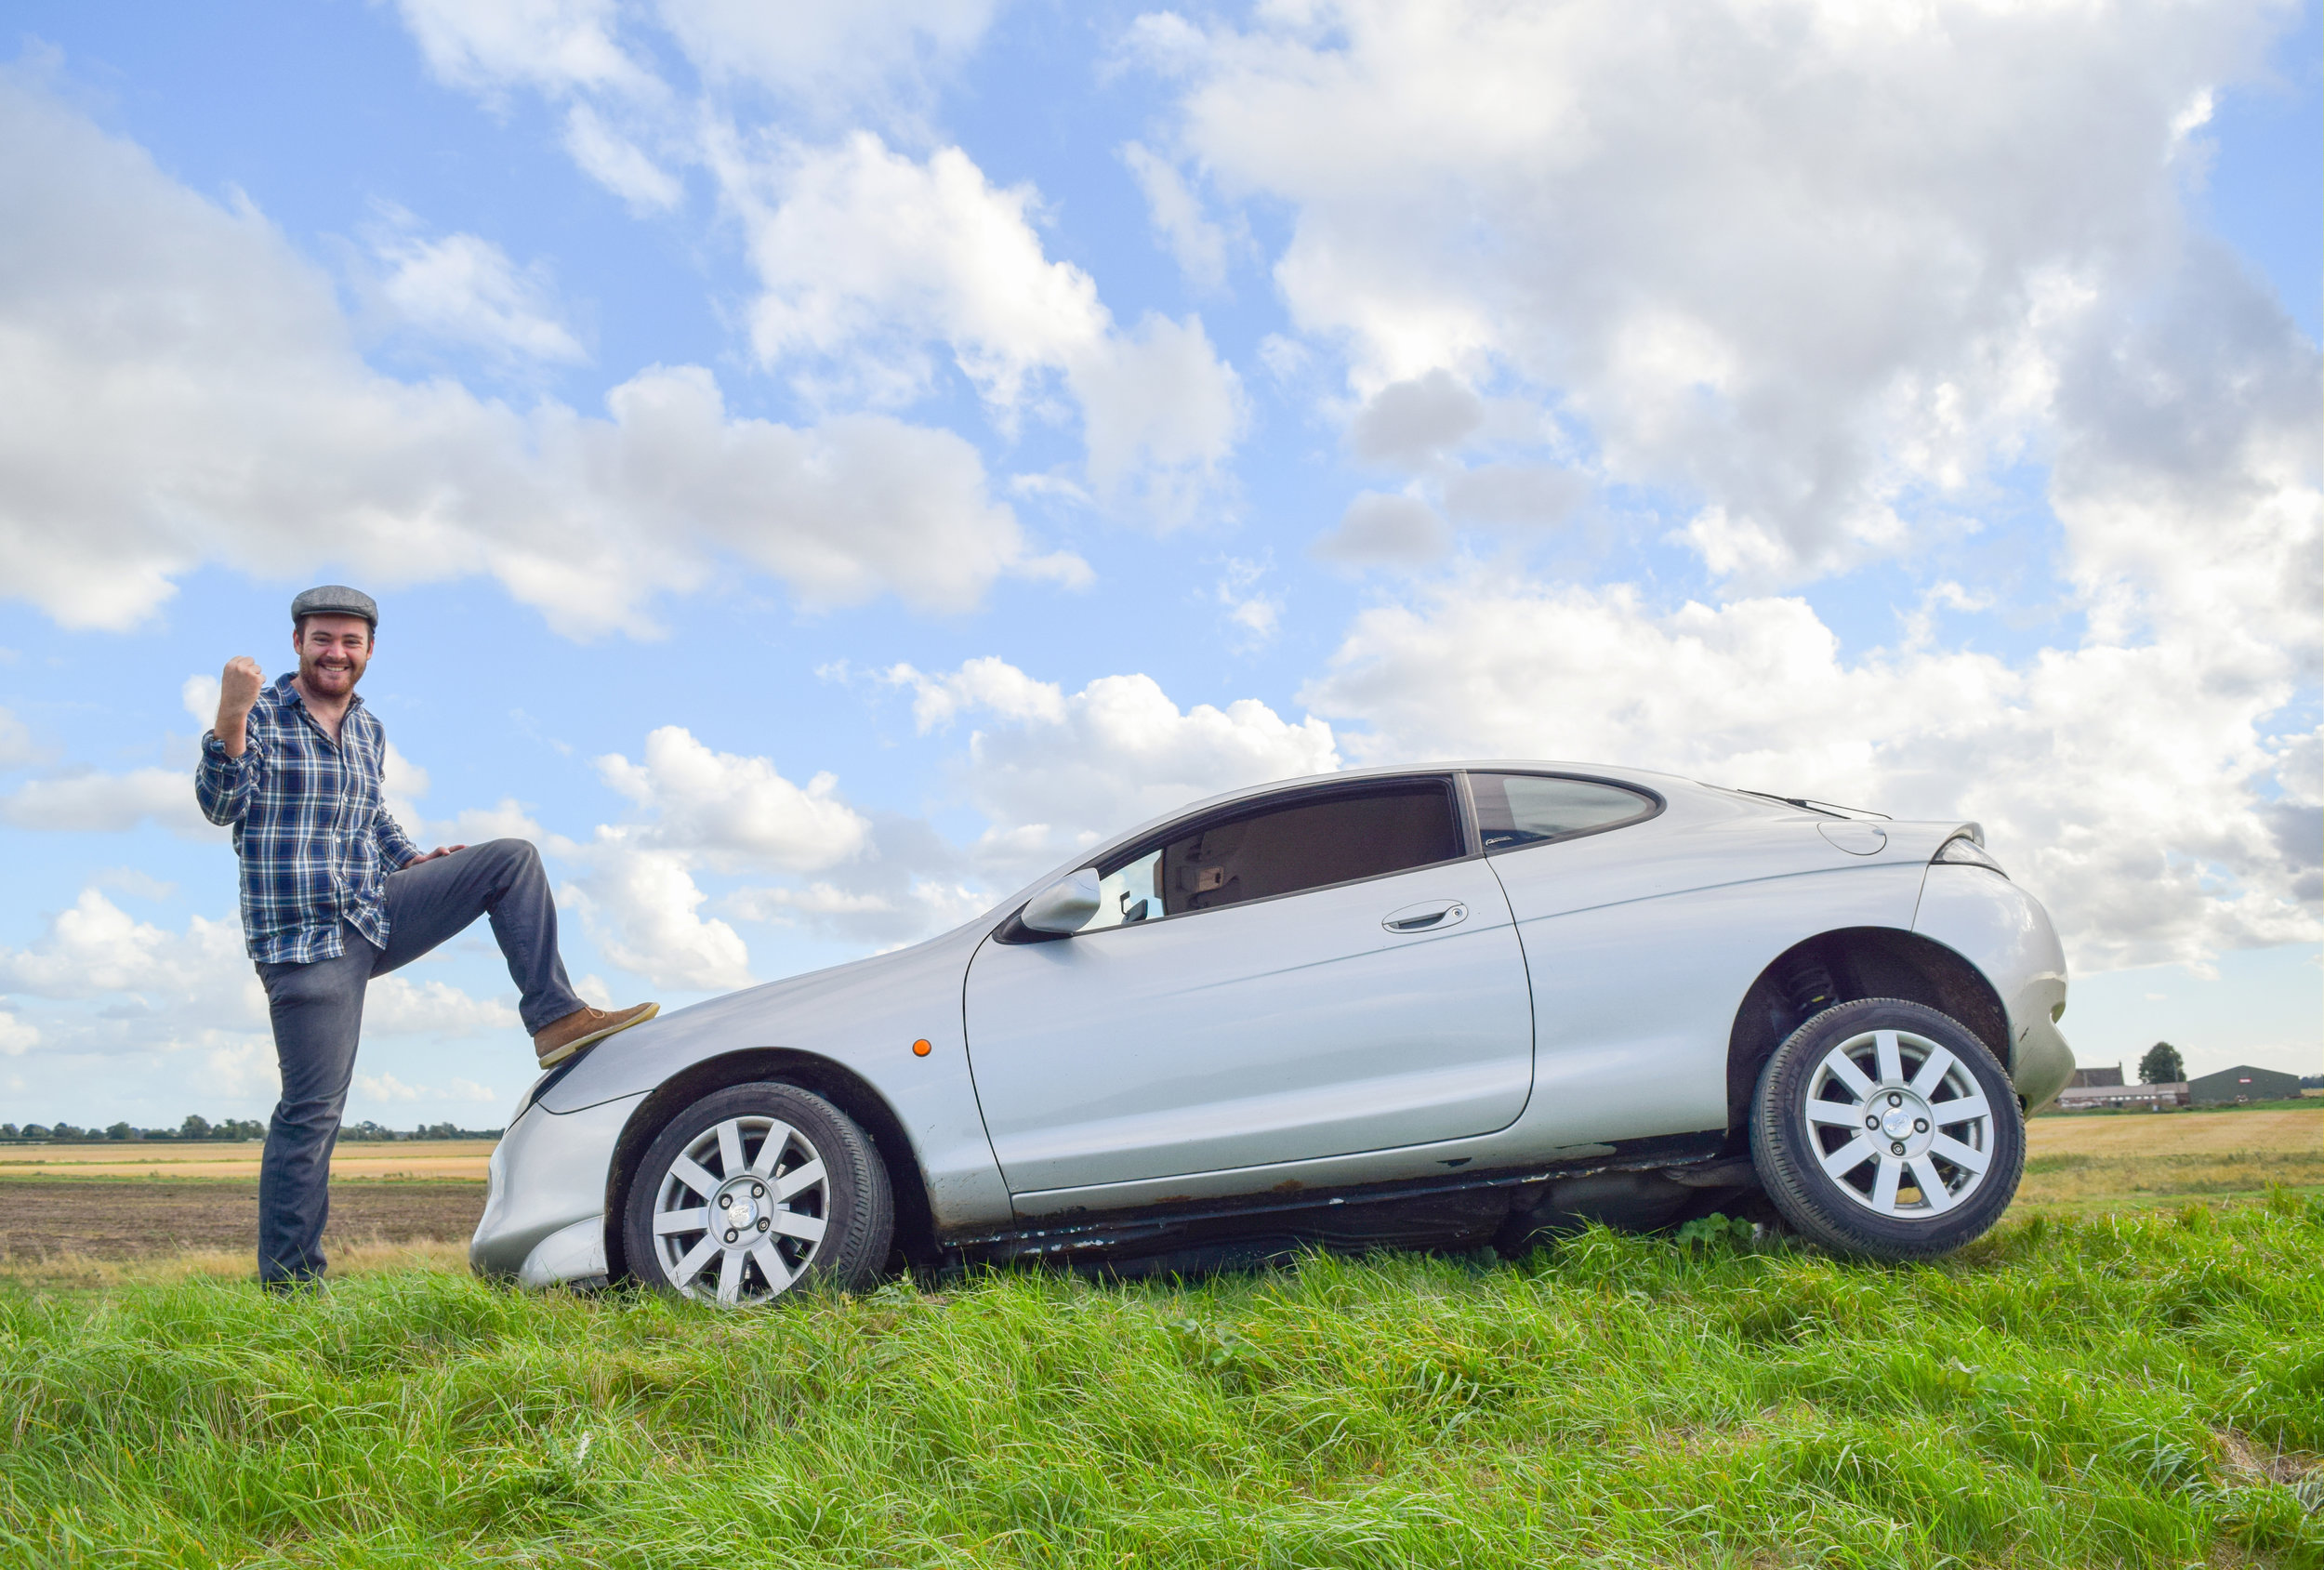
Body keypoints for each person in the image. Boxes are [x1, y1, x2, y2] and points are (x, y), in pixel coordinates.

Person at [196, 585, 657, 1289]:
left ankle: (556, 1017)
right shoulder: (260, 715)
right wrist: (229, 715)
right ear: (298, 642)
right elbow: (222, 804)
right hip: (304, 943)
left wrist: (414, 862)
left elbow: (372, 817)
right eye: (323, 638)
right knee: (312, 1112)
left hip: (374, 909)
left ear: (369, 651)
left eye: (351, 641)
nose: (336, 652)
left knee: (509, 859)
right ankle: (290, 1286)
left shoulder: (369, 728)